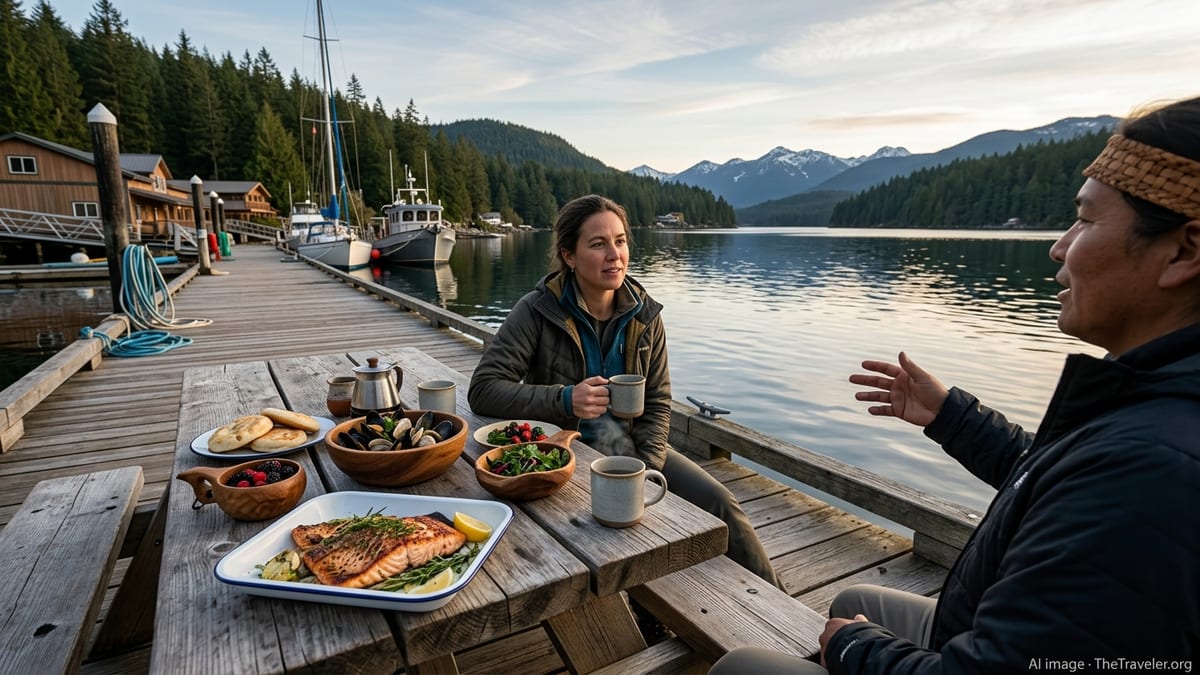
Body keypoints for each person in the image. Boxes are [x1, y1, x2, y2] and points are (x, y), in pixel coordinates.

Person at [711, 95, 1200, 674]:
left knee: (742, 666)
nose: (1058, 246)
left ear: (1184, 251)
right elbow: (1051, 479)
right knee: (854, 600)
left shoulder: (1151, 468)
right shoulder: (1155, 406)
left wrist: (855, 649)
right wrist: (952, 416)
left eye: (1087, 219)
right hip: (987, 627)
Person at [468, 194, 782, 588]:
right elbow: (483, 390)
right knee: (597, 541)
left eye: (620, 241)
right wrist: (565, 399)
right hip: (566, 456)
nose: (614, 254)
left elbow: (658, 403)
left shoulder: (646, 315)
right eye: (598, 244)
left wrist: (646, 469)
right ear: (569, 255)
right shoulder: (536, 310)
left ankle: (798, 626)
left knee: (723, 504)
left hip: (635, 449)